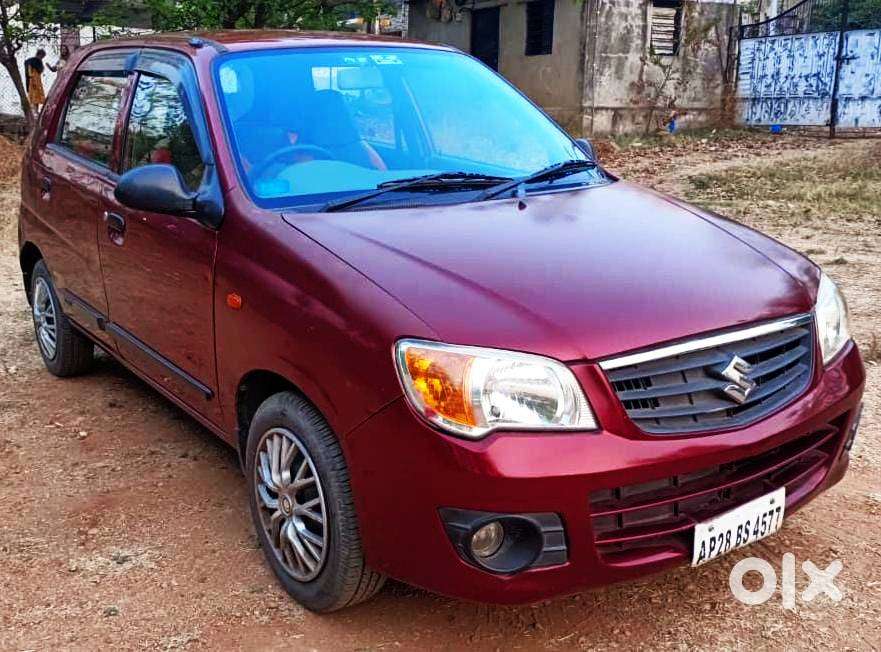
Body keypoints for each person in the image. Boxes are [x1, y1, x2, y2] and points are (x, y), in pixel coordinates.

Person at [24, 48, 47, 114]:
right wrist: (33, 81)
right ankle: (34, 111)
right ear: (40, 55)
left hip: (32, 81)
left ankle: (35, 111)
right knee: (34, 97)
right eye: (42, 57)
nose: (42, 58)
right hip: (34, 81)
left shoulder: (29, 61)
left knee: (35, 97)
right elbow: (31, 72)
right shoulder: (35, 61)